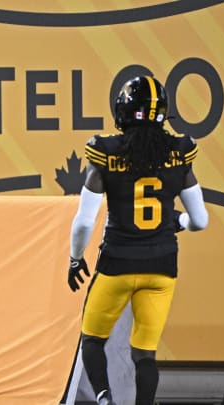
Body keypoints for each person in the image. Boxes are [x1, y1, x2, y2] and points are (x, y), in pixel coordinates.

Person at [67, 75, 209, 405]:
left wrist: (75, 259)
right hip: (161, 266)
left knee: (92, 340)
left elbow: (83, 223)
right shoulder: (179, 153)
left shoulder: (106, 154)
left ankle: (104, 398)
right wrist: (178, 221)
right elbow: (200, 220)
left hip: (116, 263)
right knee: (145, 353)